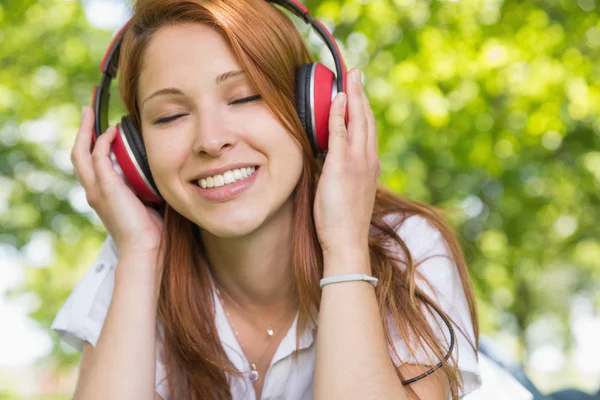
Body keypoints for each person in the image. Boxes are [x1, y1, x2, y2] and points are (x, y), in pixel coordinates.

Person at [51, 0, 486, 398]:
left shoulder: (404, 247)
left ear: (311, 109)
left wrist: (345, 246)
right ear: (135, 153)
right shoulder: (131, 258)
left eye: (244, 97)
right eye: (171, 116)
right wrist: (140, 254)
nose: (211, 140)